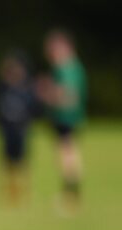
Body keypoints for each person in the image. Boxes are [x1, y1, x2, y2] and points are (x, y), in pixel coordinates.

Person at [38, 29, 86, 211]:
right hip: (66, 119)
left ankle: (71, 195)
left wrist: (47, 93)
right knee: (67, 155)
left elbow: (69, 97)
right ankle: (70, 194)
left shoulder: (68, 68)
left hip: (67, 118)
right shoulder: (69, 67)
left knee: (68, 157)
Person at [0, 51, 39, 204]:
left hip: (21, 130)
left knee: (22, 162)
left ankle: (24, 191)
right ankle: (10, 192)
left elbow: (33, 109)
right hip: (7, 131)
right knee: (7, 163)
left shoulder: (27, 88)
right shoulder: (3, 88)